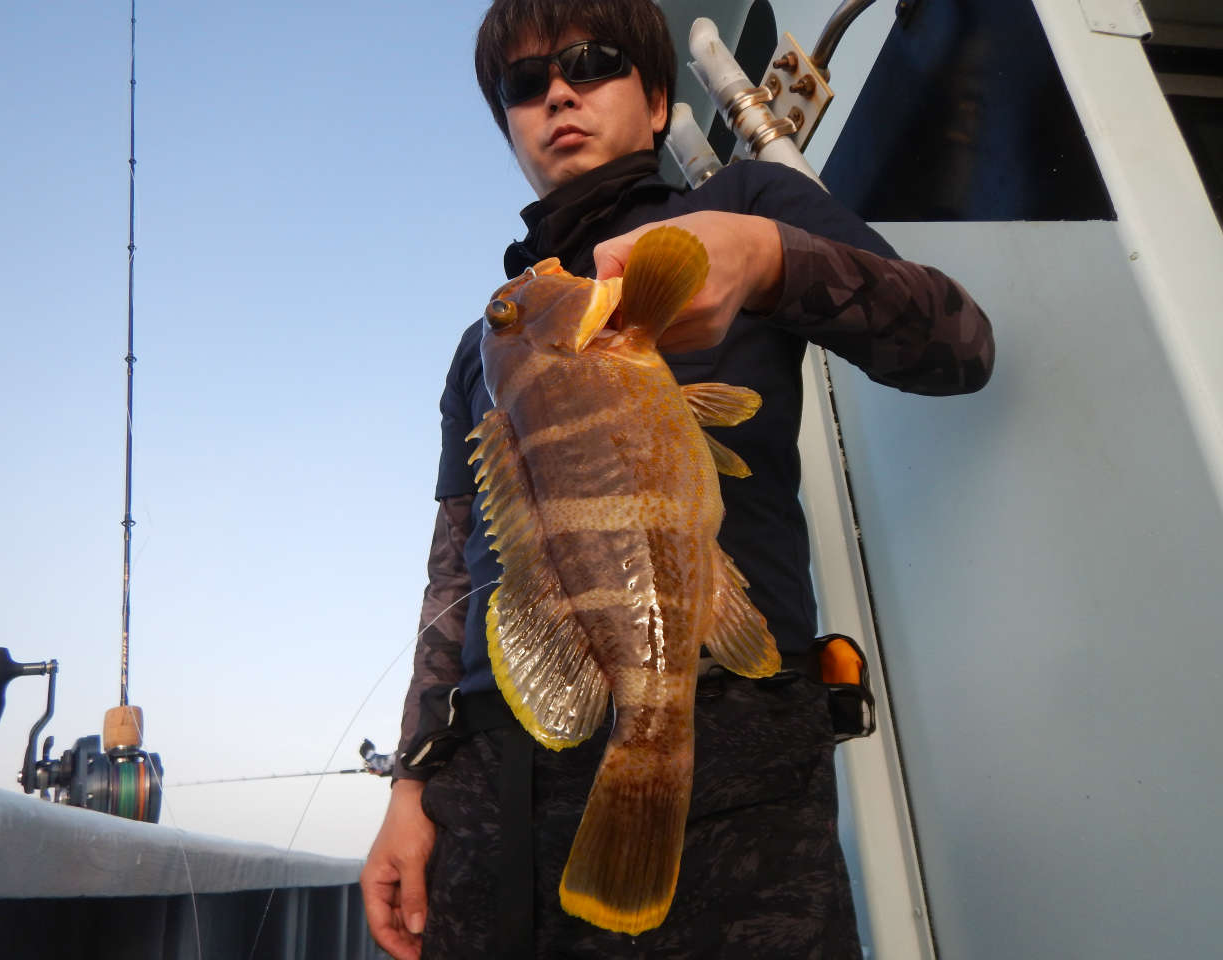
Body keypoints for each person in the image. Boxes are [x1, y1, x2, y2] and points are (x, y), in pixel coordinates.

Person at [361, 2, 994, 958]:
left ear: (659, 103)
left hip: (725, 744)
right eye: (523, 85)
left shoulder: (742, 205)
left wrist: (768, 261)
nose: (558, 93)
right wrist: (413, 784)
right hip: (489, 777)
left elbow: (957, 341)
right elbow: (455, 574)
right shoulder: (486, 344)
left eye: (590, 62)